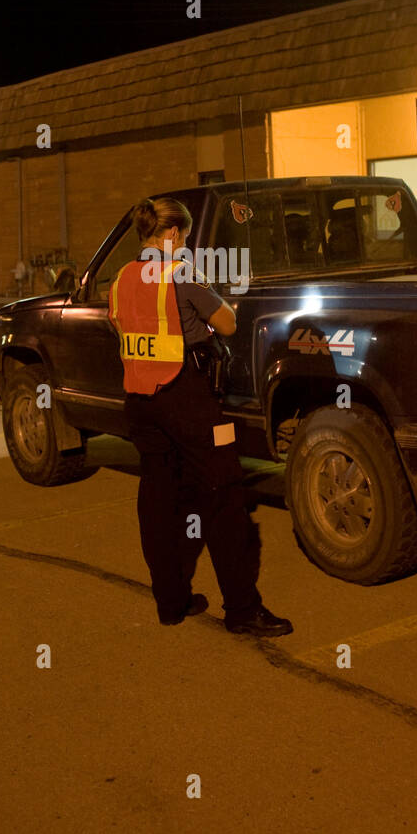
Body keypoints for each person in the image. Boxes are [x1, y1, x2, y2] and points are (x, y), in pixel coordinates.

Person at [108, 195, 293, 636]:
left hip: (140, 400)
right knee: (223, 496)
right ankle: (243, 610)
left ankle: (171, 603)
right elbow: (226, 324)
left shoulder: (121, 278)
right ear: (172, 234)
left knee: (158, 499)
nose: (186, 243)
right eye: (185, 236)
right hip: (187, 397)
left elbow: (123, 327)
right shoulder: (181, 272)